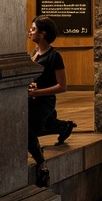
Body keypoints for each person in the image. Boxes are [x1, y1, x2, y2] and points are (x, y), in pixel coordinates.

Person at [27, 15, 76, 153]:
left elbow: (62, 86)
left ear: (43, 34)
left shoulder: (54, 56)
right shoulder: (32, 54)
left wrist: (37, 93)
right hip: (32, 99)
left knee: (33, 129)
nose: (29, 32)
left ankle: (61, 126)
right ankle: (61, 125)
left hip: (44, 101)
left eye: (33, 29)